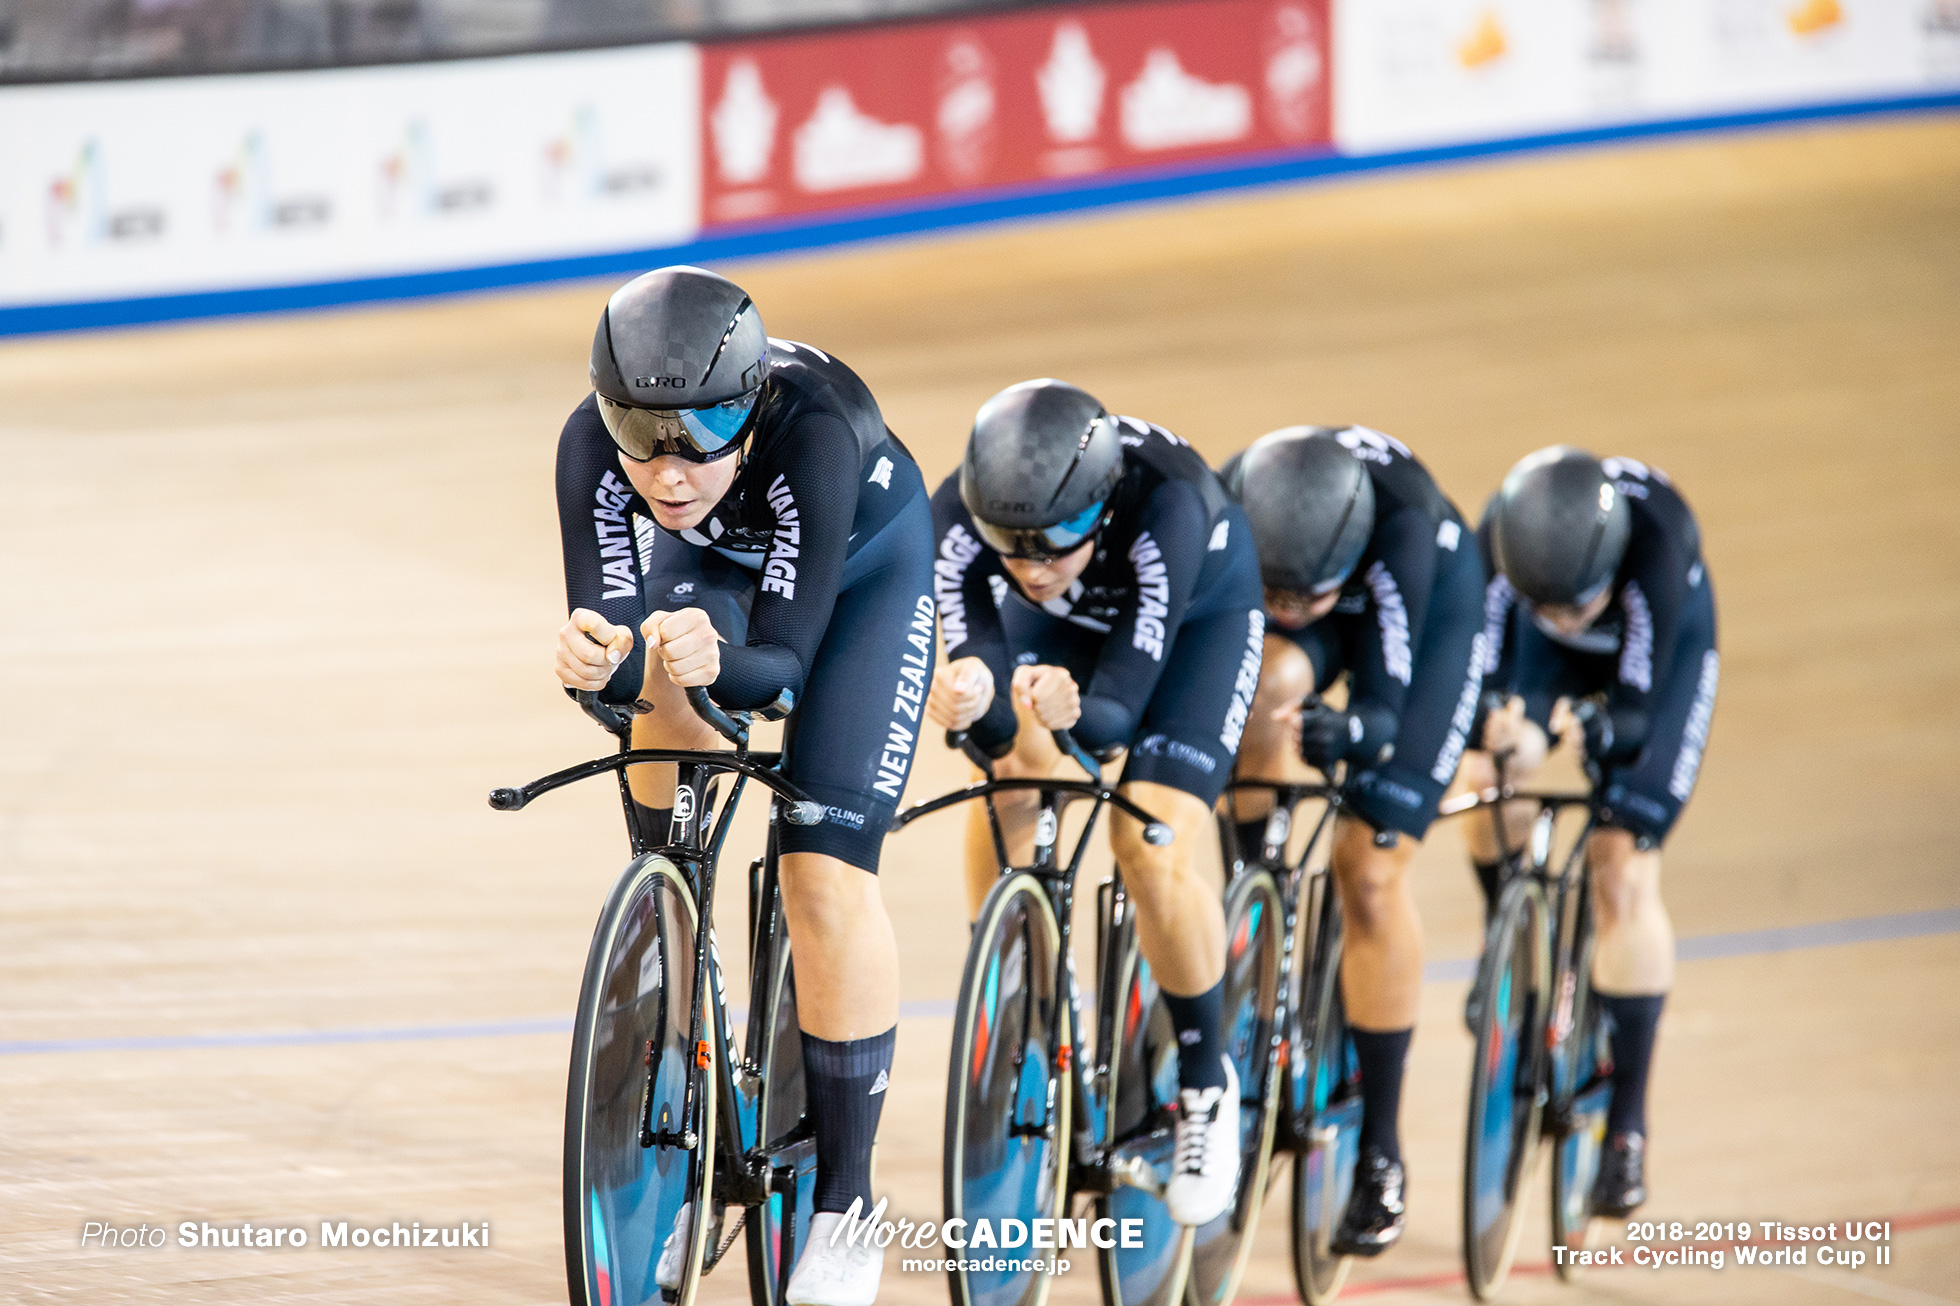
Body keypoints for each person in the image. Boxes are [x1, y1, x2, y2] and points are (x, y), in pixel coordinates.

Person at [552, 265, 936, 1306]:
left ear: (753, 398)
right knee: (661, 675)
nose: (669, 469)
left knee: (821, 876)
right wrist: (601, 661)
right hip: (723, 582)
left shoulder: (812, 426)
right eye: (641, 430)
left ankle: (847, 1204)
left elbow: (784, 667)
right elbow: (618, 629)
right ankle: (669, 917)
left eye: (704, 426)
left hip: (857, 585)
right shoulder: (590, 446)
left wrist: (712, 662)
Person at [924, 379, 1266, 1226]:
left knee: (1146, 840)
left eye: (1056, 541)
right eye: (1013, 546)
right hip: (1071, 633)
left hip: (1193, 634)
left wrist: (1079, 709)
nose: (1033, 567)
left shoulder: (1169, 505)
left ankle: (1203, 1087)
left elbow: (1114, 715)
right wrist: (972, 700)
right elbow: (984, 680)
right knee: (1007, 776)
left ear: (1102, 507)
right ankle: (1015, 989)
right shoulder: (959, 516)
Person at [1223, 425, 1488, 1257]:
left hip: (1429, 618)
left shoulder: (1402, 524)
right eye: (1277, 594)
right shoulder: (1236, 498)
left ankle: (1380, 1148)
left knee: (1367, 873)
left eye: (1303, 598)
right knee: (1262, 679)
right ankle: (1254, 898)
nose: (1288, 611)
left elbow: (1385, 700)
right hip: (1329, 606)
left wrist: (1358, 732)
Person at [1462, 446, 1718, 1218]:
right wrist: (1504, 727)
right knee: (1485, 779)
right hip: (1547, 668)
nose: (1566, 619)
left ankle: (1628, 1129)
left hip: (1656, 671)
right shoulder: (1501, 546)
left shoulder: (1655, 543)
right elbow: (1472, 678)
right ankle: (1505, 936)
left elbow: (1635, 714)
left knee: (1620, 866)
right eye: (1549, 606)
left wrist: (1588, 727)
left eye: (1576, 604)